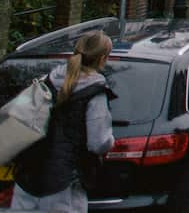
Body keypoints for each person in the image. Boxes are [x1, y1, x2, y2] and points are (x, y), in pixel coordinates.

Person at [12, 30, 116, 212]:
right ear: (103, 59)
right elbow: (98, 143)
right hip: (63, 183)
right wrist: (111, 141)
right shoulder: (95, 93)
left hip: (28, 176)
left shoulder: (48, 80)